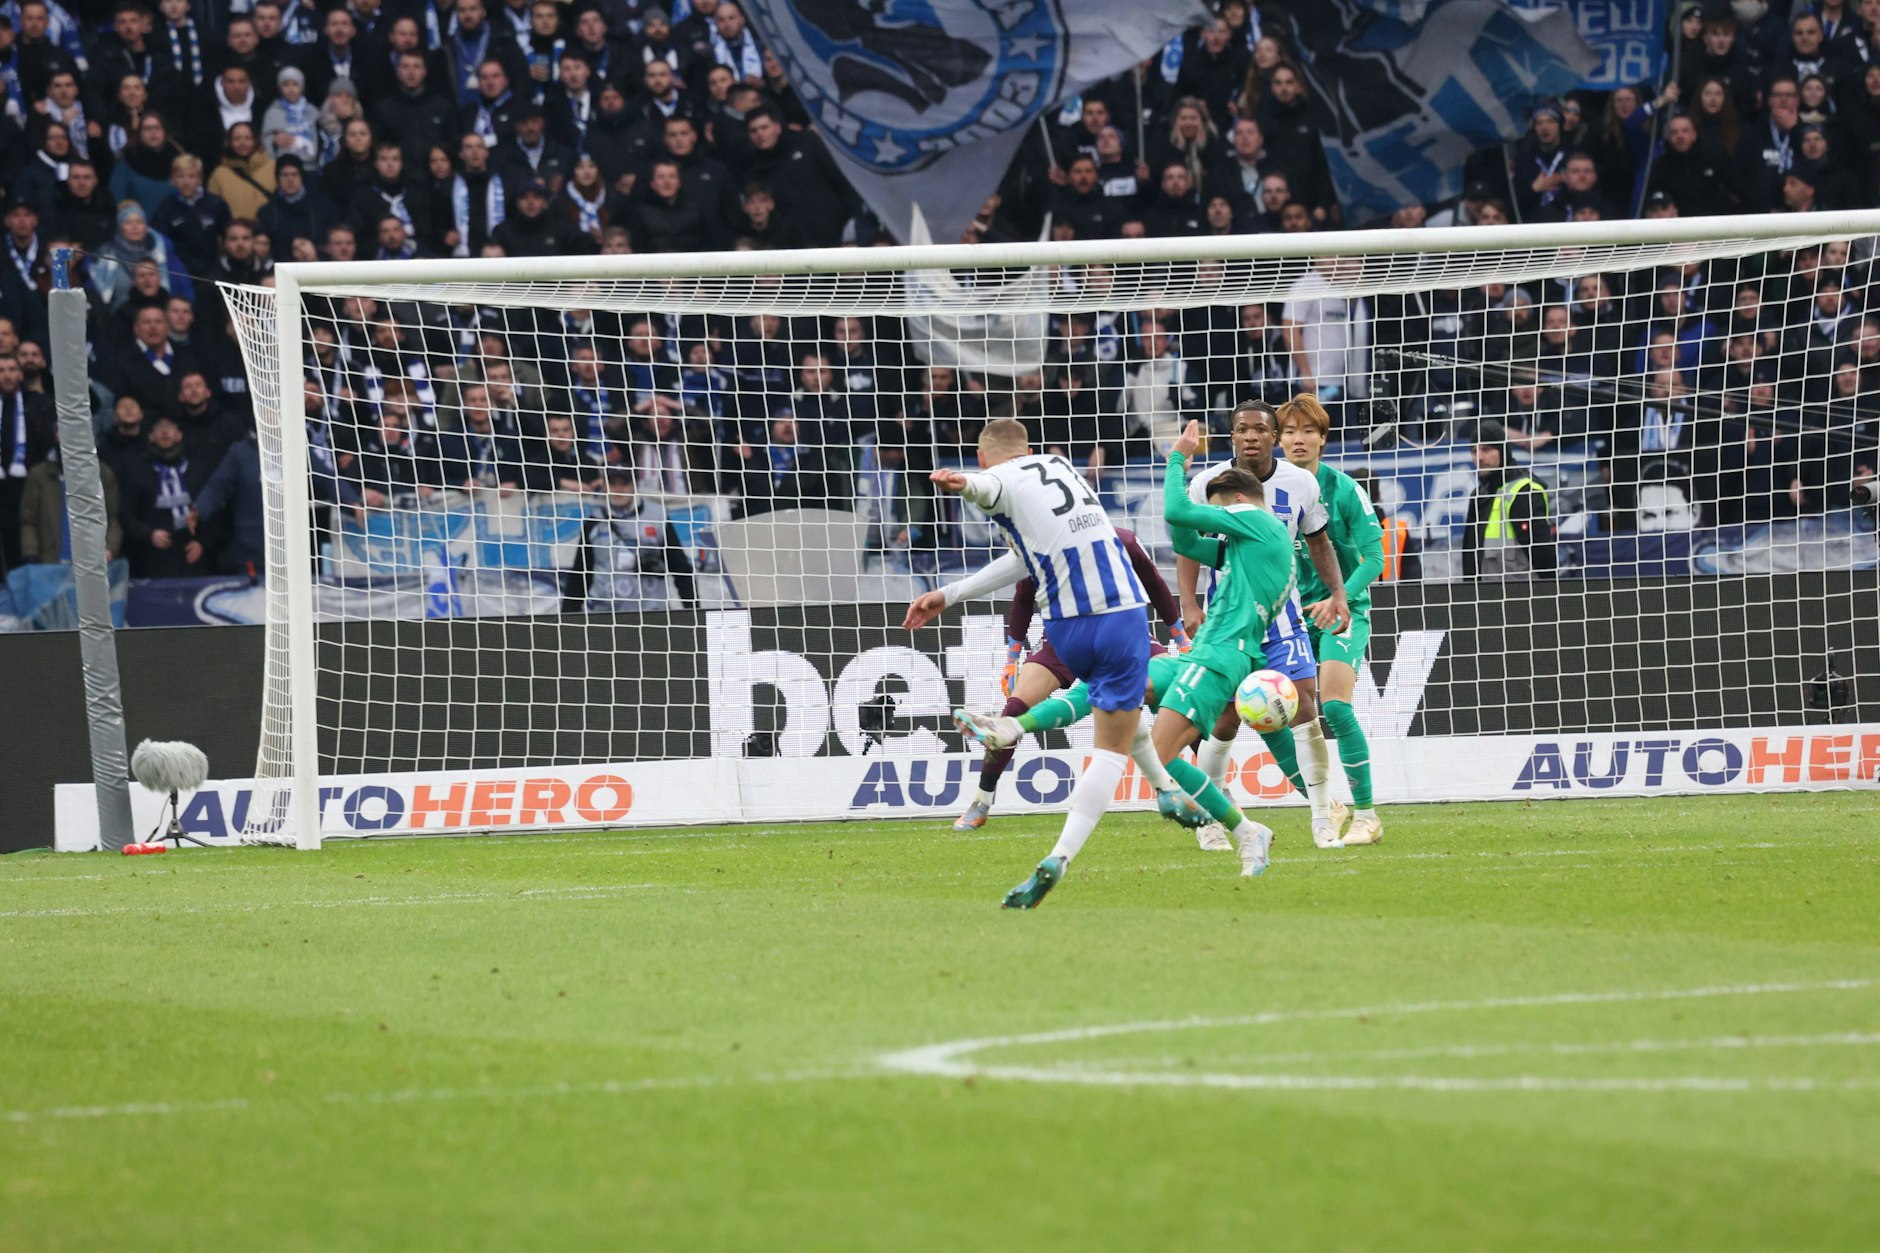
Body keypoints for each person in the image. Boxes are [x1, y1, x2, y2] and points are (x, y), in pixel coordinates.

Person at [957, 419, 1296, 881]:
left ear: (1236, 504)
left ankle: (1244, 829)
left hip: (1222, 656)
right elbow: (1187, 542)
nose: (1219, 526)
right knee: (1109, 690)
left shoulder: (1256, 522)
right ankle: (1010, 727)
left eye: (1220, 516)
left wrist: (1178, 458)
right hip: (1204, 654)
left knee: (1162, 753)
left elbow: (1177, 512)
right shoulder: (1251, 546)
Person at [901, 418, 1154, 908]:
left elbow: (990, 486)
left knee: (1104, 721)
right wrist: (950, 593)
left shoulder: (1000, 479)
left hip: (1067, 626)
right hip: (1121, 617)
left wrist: (963, 485)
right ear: (1030, 448)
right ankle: (1039, 834)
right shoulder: (1060, 467)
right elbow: (1023, 556)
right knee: (1114, 738)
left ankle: (1169, 792)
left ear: (981, 455)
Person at [1178, 399, 1348, 850]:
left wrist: (1338, 593)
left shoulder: (1301, 483)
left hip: (1282, 618)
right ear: (1231, 437)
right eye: (1241, 429)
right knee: (1224, 719)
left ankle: (1322, 818)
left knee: (1306, 710)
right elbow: (1188, 545)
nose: (1251, 436)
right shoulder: (1204, 484)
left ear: (1275, 437)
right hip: (1226, 621)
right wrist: (1189, 603)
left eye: (1260, 429)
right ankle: (1211, 819)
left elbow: (1318, 542)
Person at [952, 526, 1201, 833]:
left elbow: (1153, 582)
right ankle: (982, 800)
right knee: (1013, 710)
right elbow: (1023, 597)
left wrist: (1179, 637)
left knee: (1174, 695)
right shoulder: (1041, 546)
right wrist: (1012, 659)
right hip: (1063, 641)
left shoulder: (1120, 540)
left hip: (1123, 636)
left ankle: (1215, 785)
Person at [1277, 394, 1387, 848]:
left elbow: (1376, 557)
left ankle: (1367, 815)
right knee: (1276, 716)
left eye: (1308, 431)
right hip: (1288, 616)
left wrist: (1341, 598)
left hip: (1343, 610)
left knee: (1336, 708)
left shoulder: (1343, 488)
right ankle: (1327, 805)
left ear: (1323, 439)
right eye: (1289, 431)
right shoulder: (1266, 490)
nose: (1298, 439)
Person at [1464, 419, 1556, 579]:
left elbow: (1543, 555)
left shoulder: (1524, 491)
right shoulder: (1479, 495)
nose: (1478, 457)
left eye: (1486, 449)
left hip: (1525, 596)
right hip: (1485, 597)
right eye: (1474, 451)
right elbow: (1470, 557)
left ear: (1502, 450)